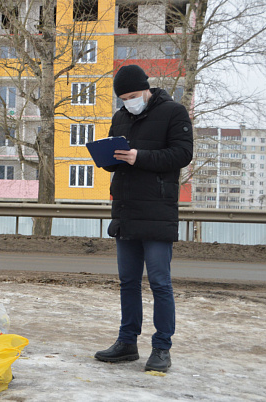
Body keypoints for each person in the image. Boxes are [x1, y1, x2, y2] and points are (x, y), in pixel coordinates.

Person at [94, 65, 193, 372]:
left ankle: (162, 347)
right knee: (128, 282)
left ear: (146, 89)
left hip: (158, 210)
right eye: (124, 98)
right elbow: (118, 160)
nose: (129, 102)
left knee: (160, 283)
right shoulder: (120, 116)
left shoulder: (174, 112)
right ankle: (126, 343)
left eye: (134, 96)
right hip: (126, 209)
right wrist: (108, 158)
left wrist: (140, 156)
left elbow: (182, 155)